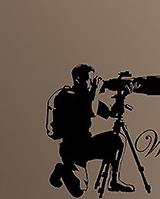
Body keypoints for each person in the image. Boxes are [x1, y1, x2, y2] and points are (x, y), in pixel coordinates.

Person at [48, 65, 133, 195]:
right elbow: (91, 111)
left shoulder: (87, 97)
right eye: (90, 79)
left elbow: (111, 113)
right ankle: (61, 169)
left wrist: (122, 97)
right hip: (71, 148)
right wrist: (97, 90)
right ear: (77, 79)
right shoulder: (66, 96)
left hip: (86, 144)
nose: (93, 83)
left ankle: (114, 181)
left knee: (117, 139)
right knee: (78, 191)